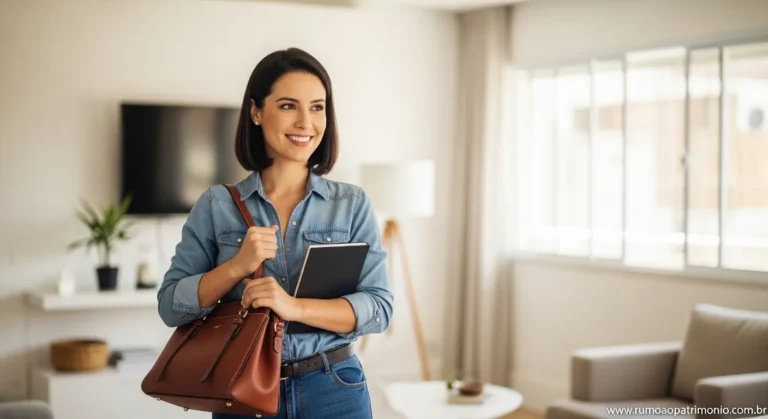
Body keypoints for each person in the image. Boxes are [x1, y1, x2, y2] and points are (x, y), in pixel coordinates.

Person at [157, 47, 393, 419]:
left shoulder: (351, 203)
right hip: (241, 392)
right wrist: (237, 266)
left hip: (336, 389)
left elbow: (379, 309)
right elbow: (170, 306)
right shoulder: (216, 205)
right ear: (255, 111)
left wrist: (293, 306)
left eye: (317, 107)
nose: (305, 122)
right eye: (288, 106)